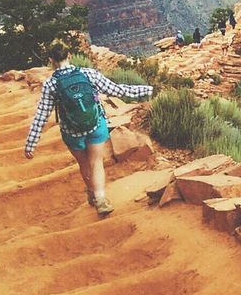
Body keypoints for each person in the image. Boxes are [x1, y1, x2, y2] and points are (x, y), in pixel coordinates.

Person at [23, 43, 153, 216]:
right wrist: (147, 89)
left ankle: (92, 192)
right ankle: (100, 199)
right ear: (69, 56)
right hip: (95, 125)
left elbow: (41, 115)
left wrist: (31, 144)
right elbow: (117, 89)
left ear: (51, 61)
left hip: (72, 132)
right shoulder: (87, 73)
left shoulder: (51, 84)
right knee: (96, 161)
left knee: (84, 163)